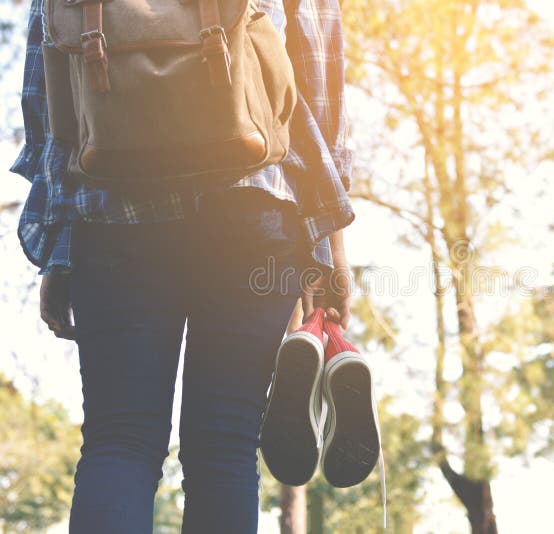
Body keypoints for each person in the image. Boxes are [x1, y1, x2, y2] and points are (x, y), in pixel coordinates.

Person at [11, 0, 355, 532]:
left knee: (118, 439)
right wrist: (327, 238)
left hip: (110, 207)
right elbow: (317, 57)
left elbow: (48, 69)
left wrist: (58, 248)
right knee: (226, 442)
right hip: (256, 200)